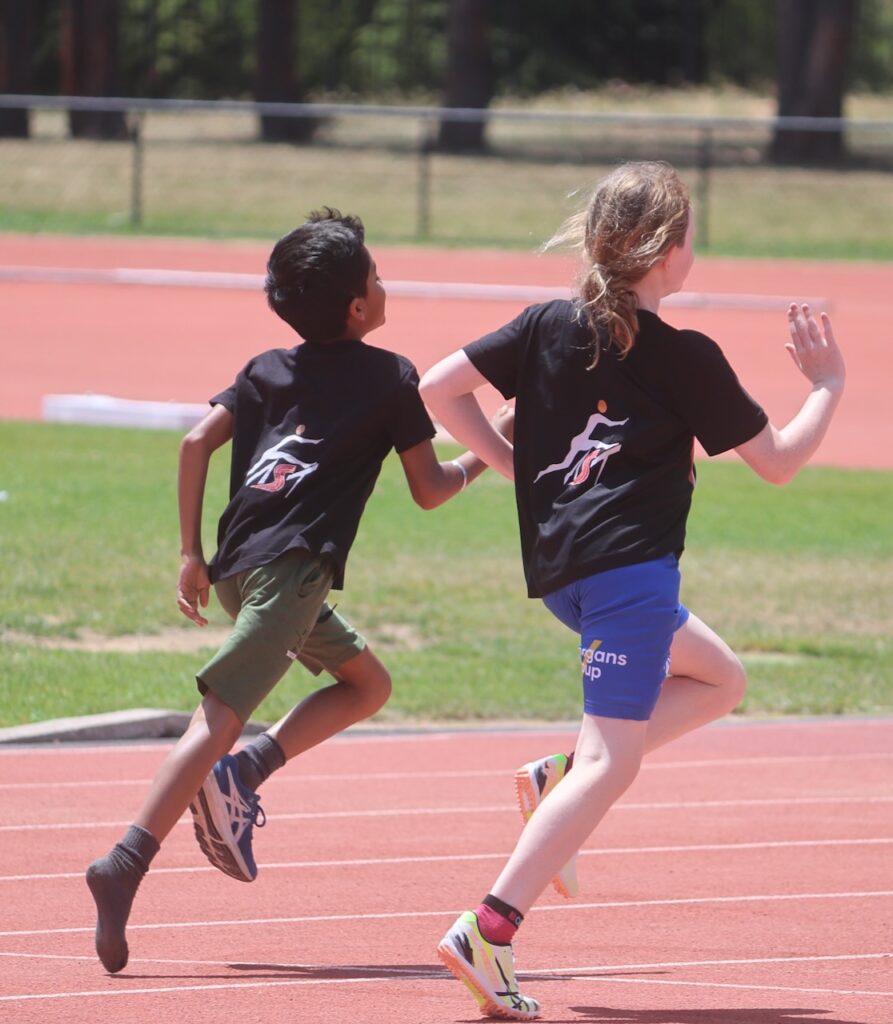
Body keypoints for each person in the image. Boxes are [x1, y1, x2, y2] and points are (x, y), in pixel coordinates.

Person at [419, 161, 846, 1020]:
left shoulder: (546, 324)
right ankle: (489, 931)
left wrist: (519, 474)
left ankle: (558, 778)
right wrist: (828, 384)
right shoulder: (685, 357)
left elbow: (437, 389)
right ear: (667, 253)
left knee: (720, 679)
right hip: (627, 576)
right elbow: (777, 463)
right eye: (690, 234)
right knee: (613, 760)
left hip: (565, 577)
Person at [85, 207, 506, 974]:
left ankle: (244, 771)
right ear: (356, 307)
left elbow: (192, 443)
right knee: (215, 716)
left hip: (242, 568)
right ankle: (126, 860)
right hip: (294, 571)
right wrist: (488, 450)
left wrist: (190, 555)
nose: (384, 284)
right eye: (376, 276)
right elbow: (430, 489)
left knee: (367, 683)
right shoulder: (390, 376)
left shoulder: (261, 369)